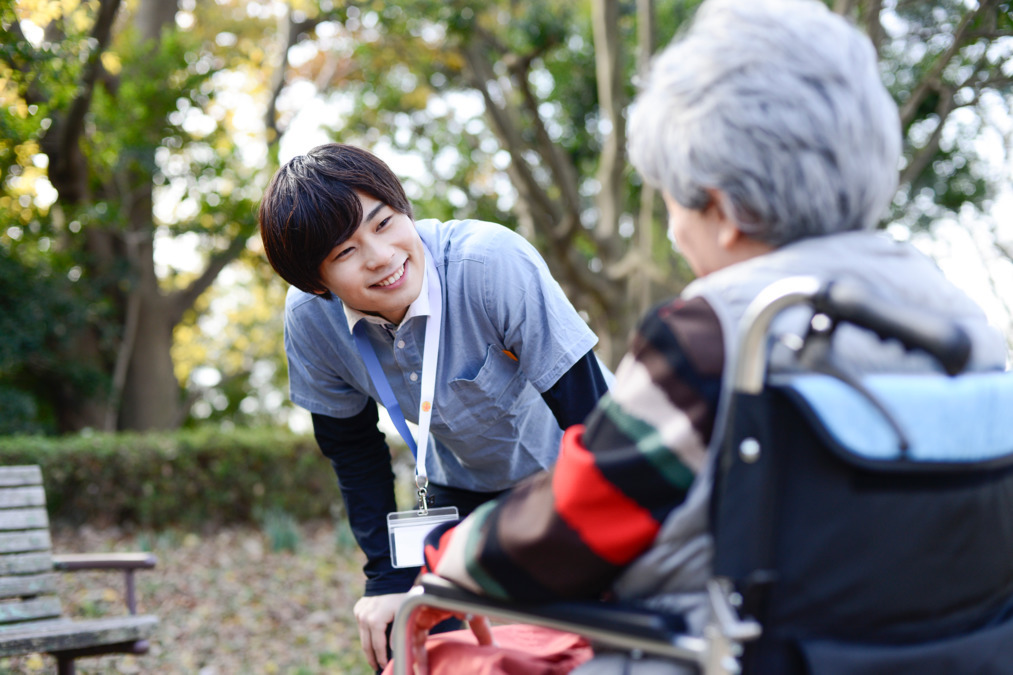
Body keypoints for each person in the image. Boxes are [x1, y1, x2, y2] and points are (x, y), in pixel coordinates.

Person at [408, 0, 1008, 672]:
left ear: (720, 208)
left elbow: (566, 528)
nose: (671, 228)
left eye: (668, 197)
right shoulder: (960, 322)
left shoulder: (720, 330)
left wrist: (445, 563)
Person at [257, 143, 610, 671]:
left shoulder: (491, 265)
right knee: (419, 641)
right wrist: (386, 579)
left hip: (574, 471)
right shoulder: (310, 320)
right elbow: (352, 450)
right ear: (316, 282)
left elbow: (589, 412)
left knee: (586, 641)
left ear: (405, 208)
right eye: (345, 252)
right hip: (459, 486)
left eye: (383, 223)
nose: (380, 256)